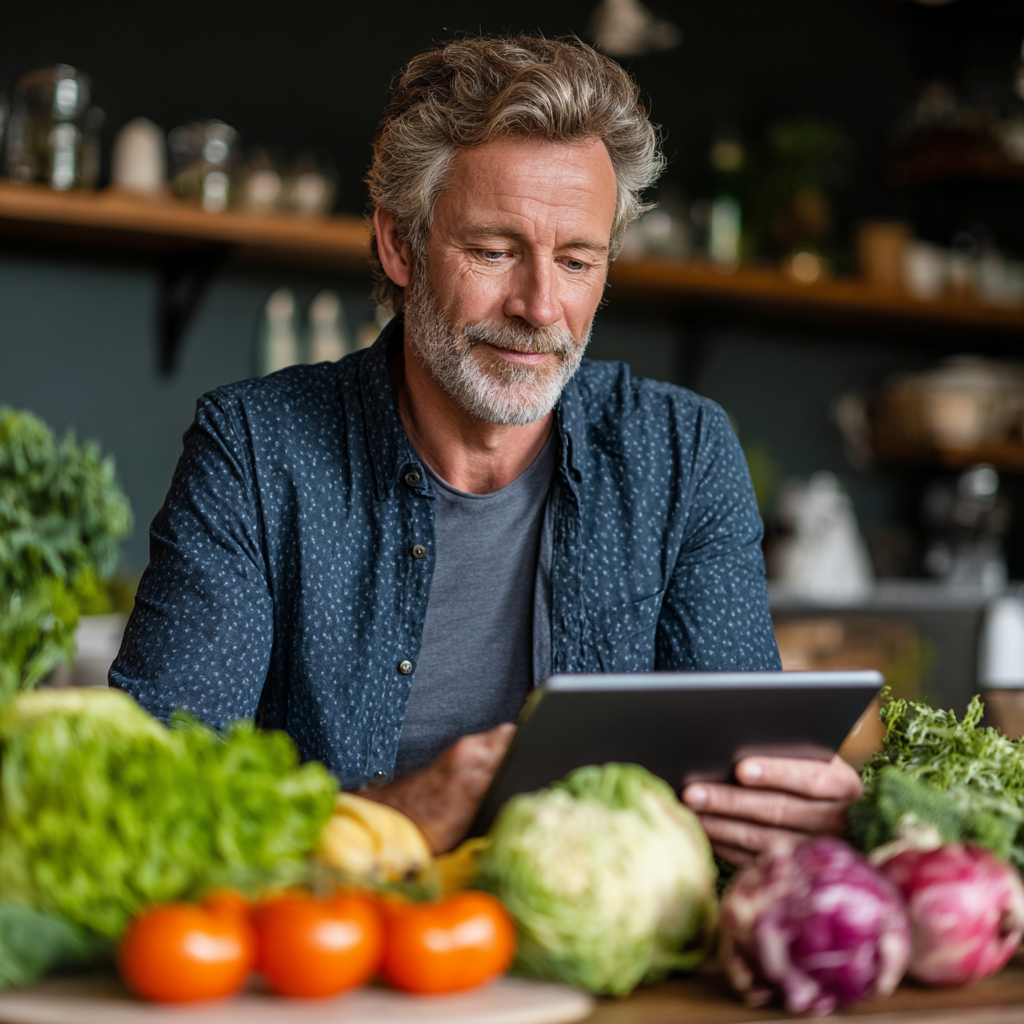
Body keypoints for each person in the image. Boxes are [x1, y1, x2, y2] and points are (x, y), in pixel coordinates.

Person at [111, 35, 861, 862]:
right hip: (336, 955)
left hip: (603, 960)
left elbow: (737, 778)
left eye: (577, 260)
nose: (541, 307)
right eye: (494, 252)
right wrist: (390, 817)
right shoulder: (256, 451)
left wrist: (790, 809)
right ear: (400, 246)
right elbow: (152, 792)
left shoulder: (680, 454)